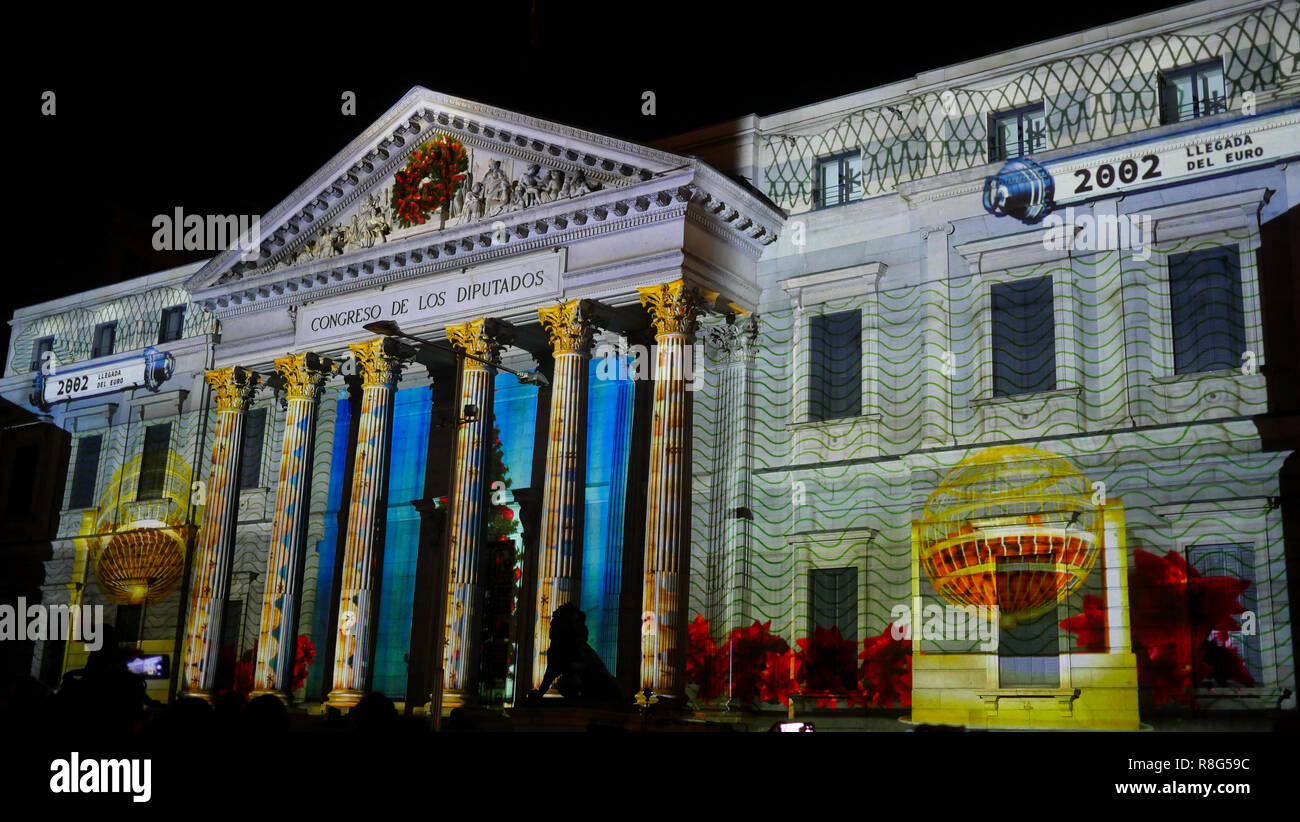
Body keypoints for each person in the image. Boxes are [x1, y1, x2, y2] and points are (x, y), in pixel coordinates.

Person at [525, 604, 623, 704]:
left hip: (602, 687)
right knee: (567, 681)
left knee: (569, 680)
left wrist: (570, 666)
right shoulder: (559, 646)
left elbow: (587, 669)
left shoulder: (578, 647)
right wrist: (540, 693)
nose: (552, 622)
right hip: (587, 685)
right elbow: (550, 673)